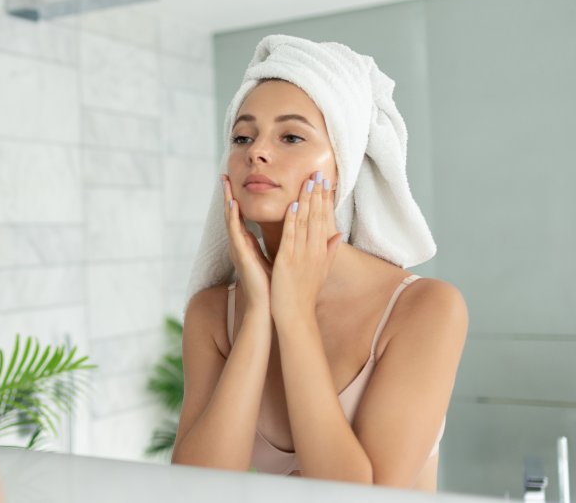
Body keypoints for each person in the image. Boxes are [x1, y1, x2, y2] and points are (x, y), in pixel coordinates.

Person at [171, 35, 468, 491]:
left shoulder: (424, 309)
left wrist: (293, 317)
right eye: (242, 136)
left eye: (291, 136)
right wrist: (257, 319)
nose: (256, 152)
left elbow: (362, 498)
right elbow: (194, 491)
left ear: (343, 163)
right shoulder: (213, 315)